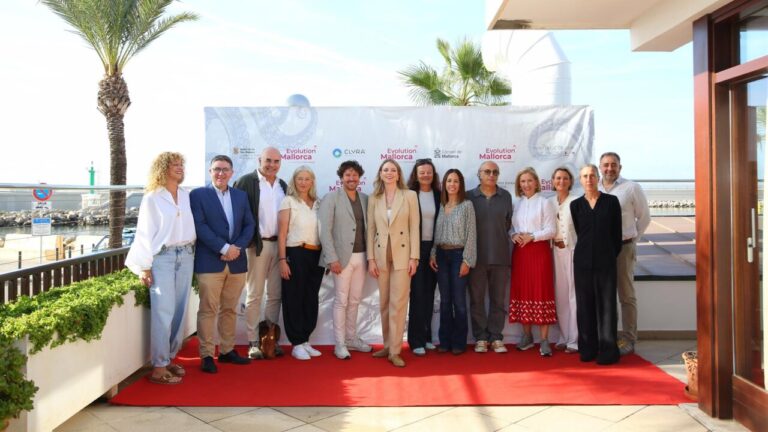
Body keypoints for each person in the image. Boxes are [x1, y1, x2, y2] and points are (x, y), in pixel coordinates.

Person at [126, 152, 195, 385]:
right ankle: (158, 367)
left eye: (181, 165)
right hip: (163, 258)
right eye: (175, 164)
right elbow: (144, 233)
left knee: (178, 312)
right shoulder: (152, 198)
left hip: (186, 255)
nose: (180, 168)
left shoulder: (186, 196)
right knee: (162, 312)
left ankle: (169, 359)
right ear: (162, 169)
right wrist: (145, 267)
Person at [190, 155, 255, 373]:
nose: (221, 173)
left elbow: (249, 225)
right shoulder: (198, 195)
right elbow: (200, 226)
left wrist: (236, 248)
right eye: (217, 169)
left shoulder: (240, 196)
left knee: (230, 309)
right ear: (210, 172)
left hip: (237, 262)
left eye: (225, 169)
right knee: (208, 309)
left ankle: (227, 351)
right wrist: (224, 248)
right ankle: (207, 354)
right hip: (210, 261)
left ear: (232, 172)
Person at [233, 146, 289, 359]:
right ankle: (253, 342)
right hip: (257, 246)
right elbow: (238, 215)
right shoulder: (247, 181)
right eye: (268, 160)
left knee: (275, 295)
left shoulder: (283, 185)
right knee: (255, 294)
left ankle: (270, 339)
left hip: (279, 246)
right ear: (259, 160)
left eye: (276, 161)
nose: (272, 165)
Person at [366, 159, 420, 367]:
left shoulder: (409, 196)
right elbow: (371, 230)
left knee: (398, 303)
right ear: (380, 174)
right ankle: (387, 345)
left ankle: (396, 351)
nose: (389, 173)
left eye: (393, 170)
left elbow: (414, 227)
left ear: (398, 175)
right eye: (385, 170)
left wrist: (414, 257)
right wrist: (371, 259)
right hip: (380, 256)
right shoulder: (374, 198)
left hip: (403, 255)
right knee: (384, 303)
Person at [597, 152, 650, 356]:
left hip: (623, 247)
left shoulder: (631, 188)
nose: (609, 168)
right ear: (600, 167)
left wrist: (631, 240)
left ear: (620, 167)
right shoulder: (594, 187)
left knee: (626, 295)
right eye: (605, 165)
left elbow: (644, 218)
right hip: (601, 250)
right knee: (604, 295)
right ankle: (608, 336)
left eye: (613, 165)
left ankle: (629, 338)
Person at [318, 160, 372, 360]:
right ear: (341, 178)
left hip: (362, 256)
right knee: (341, 300)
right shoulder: (331, 198)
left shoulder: (366, 199)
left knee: (355, 300)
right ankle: (339, 343)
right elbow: (324, 230)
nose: (351, 178)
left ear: (360, 178)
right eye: (347, 175)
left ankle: (351, 338)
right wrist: (331, 258)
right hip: (341, 259)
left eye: (355, 175)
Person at [571, 164, 623, 365]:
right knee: (585, 306)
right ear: (580, 179)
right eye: (585, 176)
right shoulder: (575, 205)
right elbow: (579, 231)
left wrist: (608, 254)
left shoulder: (611, 202)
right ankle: (588, 348)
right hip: (582, 262)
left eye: (592, 175)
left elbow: (616, 236)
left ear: (598, 177)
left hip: (606, 262)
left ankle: (608, 350)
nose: (589, 179)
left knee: (607, 306)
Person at [509, 167, 558, 356]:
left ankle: (544, 340)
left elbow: (551, 230)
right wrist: (514, 235)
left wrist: (532, 236)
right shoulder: (516, 204)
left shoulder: (544, 203)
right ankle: (527, 336)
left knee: (541, 291)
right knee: (523, 291)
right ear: (519, 185)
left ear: (537, 183)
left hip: (539, 252)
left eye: (530, 181)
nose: (526, 185)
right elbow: (511, 227)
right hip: (520, 253)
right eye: (523, 181)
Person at [277, 166, 325, 360]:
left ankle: (305, 339)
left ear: (312, 182)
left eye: (307, 179)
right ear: (294, 181)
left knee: (310, 299)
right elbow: (282, 234)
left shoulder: (319, 203)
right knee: (294, 298)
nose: (303, 182)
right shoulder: (288, 201)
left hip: (316, 255)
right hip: (295, 253)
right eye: (300, 179)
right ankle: (296, 343)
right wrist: (282, 260)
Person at [468, 161, 513, 354]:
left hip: (501, 257)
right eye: (487, 171)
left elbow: (507, 223)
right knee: (477, 300)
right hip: (475, 258)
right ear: (479, 174)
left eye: (495, 172)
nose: (491, 175)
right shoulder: (469, 196)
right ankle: (480, 337)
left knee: (498, 300)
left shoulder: (506, 196)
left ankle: (495, 337)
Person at [429, 169, 476, 355]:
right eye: (449, 181)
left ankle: (459, 342)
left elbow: (472, 234)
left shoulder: (467, 205)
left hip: (459, 256)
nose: (452, 184)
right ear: (444, 184)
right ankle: (444, 341)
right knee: (445, 301)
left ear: (460, 184)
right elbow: (436, 234)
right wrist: (433, 253)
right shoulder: (441, 205)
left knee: (459, 302)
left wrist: (467, 260)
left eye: (456, 181)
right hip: (441, 255)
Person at [406, 158, 441, 356]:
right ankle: (415, 340)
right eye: (422, 172)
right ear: (416, 175)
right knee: (417, 295)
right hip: (415, 249)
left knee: (429, 294)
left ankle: (427, 337)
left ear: (433, 174)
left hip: (434, 249)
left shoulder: (439, 195)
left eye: (429, 172)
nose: (426, 175)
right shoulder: (410, 195)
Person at [550, 167, 579, 354]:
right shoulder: (549, 202)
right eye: (558, 178)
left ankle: (574, 340)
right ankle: (563, 336)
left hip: (573, 251)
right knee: (560, 296)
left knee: (573, 296)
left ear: (570, 181)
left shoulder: (576, 201)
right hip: (554, 251)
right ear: (553, 181)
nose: (561, 181)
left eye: (565, 178)